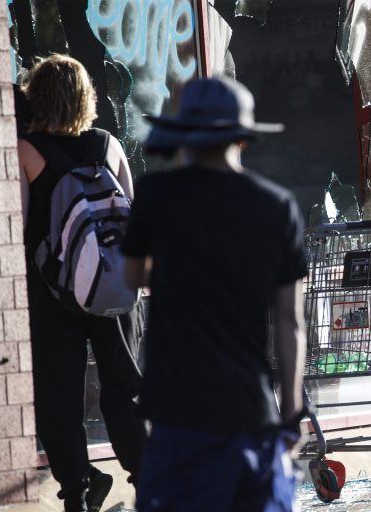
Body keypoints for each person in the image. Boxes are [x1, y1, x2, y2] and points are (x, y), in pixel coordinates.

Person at [120, 76, 309, 511]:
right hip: (250, 410)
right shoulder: (276, 206)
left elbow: (132, 277)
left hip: (178, 412)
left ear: (186, 133)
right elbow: (289, 321)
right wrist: (292, 410)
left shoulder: (157, 195)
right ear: (243, 138)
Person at [17, 55, 147, 511]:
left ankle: (77, 490)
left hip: (53, 294)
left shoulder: (26, 151)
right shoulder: (108, 145)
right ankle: (146, 479)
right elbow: (131, 210)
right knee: (124, 388)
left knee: (60, 394)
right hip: (114, 287)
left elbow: (19, 226)